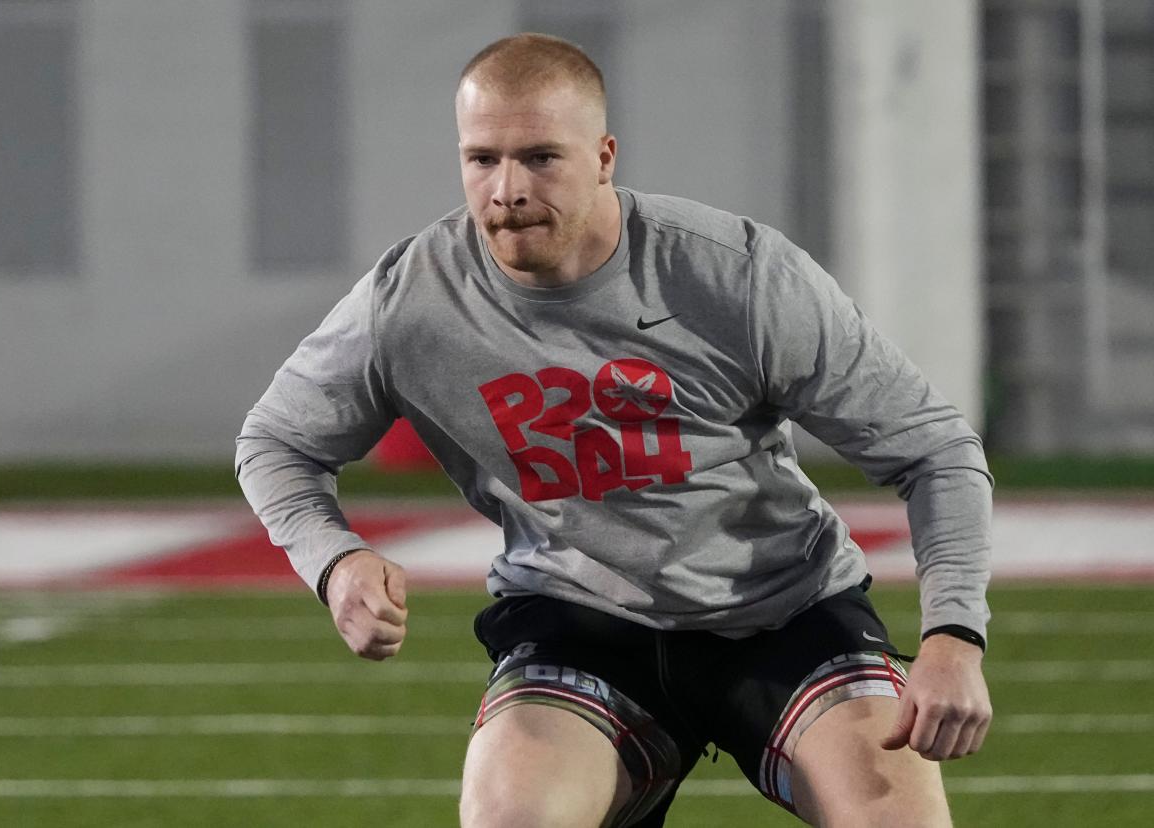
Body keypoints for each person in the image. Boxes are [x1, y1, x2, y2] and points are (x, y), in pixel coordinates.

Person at [236, 32, 992, 828]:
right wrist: (335, 561)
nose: (507, 190)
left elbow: (935, 448)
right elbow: (275, 442)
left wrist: (953, 637)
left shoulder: (734, 276)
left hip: (783, 613)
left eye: (539, 158)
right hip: (578, 625)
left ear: (604, 156)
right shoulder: (413, 300)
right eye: (482, 158)